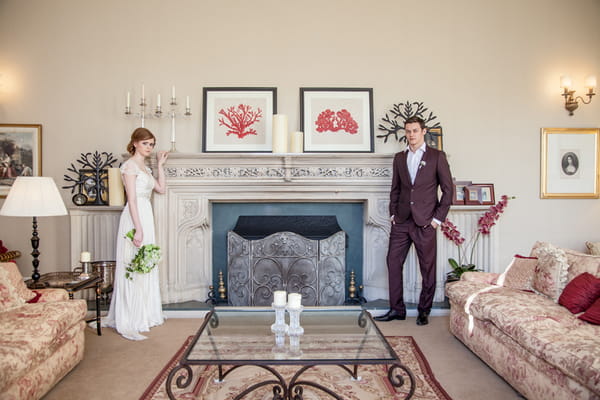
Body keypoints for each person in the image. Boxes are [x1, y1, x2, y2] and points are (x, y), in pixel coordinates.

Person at [375, 116, 453, 326]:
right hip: (401, 221)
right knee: (393, 262)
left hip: (426, 222)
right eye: (408, 131)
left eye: (415, 131)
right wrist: (393, 214)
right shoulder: (399, 158)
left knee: (427, 268)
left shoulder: (437, 156)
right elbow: (396, 189)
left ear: (423, 131)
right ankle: (396, 309)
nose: (411, 135)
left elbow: (448, 191)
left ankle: (423, 310)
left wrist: (437, 220)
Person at [104, 127, 168, 340]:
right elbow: (131, 199)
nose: (149, 147)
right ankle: (130, 316)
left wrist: (159, 166)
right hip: (135, 216)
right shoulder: (129, 166)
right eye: (145, 143)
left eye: (151, 144)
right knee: (133, 262)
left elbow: (161, 189)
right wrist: (138, 229)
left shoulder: (146, 167)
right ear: (134, 143)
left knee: (145, 262)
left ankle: (145, 313)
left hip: (146, 214)